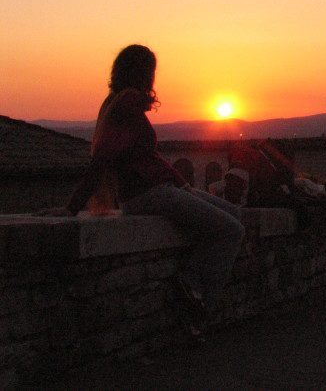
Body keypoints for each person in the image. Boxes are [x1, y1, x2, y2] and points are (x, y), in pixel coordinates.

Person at [35, 44, 244, 343]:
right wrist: (72, 207)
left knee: (232, 215)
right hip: (149, 194)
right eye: (151, 71)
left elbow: (147, 157)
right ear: (142, 72)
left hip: (160, 189)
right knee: (232, 230)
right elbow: (103, 157)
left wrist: (183, 185)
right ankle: (198, 306)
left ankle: (192, 283)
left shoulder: (117, 103)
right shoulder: (128, 103)